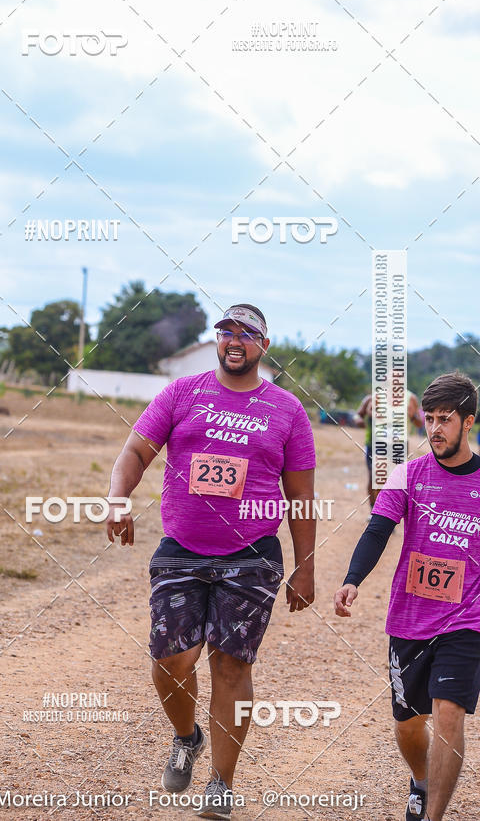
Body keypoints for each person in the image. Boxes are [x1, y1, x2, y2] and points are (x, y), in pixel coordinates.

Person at [106, 304, 316, 819]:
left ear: (264, 345)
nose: (235, 341)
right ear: (217, 340)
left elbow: (301, 497)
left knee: (230, 664)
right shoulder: (182, 393)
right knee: (169, 661)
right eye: (226, 332)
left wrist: (306, 566)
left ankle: (221, 783)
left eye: (247, 333)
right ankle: (187, 737)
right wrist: (117, 497)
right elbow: (135, 452)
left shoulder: (287, 410)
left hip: (252, 557)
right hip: (181, 549)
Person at [335, 372, 480, 821]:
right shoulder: (408, 474)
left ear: (468, 422)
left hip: (467, 619)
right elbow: (378, 530)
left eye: (445, 420)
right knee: (408, 722)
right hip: (411, 618)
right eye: (431, 419)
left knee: (450, 712)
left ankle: (433, 815)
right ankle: (420, 779)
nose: (434, 429)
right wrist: (352, 578)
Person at [357, 390, 425, 513]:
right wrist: (372, 414)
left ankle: (388, 511)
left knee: (394, 480)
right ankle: (376, 510)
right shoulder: (376, 396)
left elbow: (419, 423)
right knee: (376, 477)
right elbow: (363, 413)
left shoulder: (410, 398)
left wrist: (412, 415)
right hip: (377, 443)